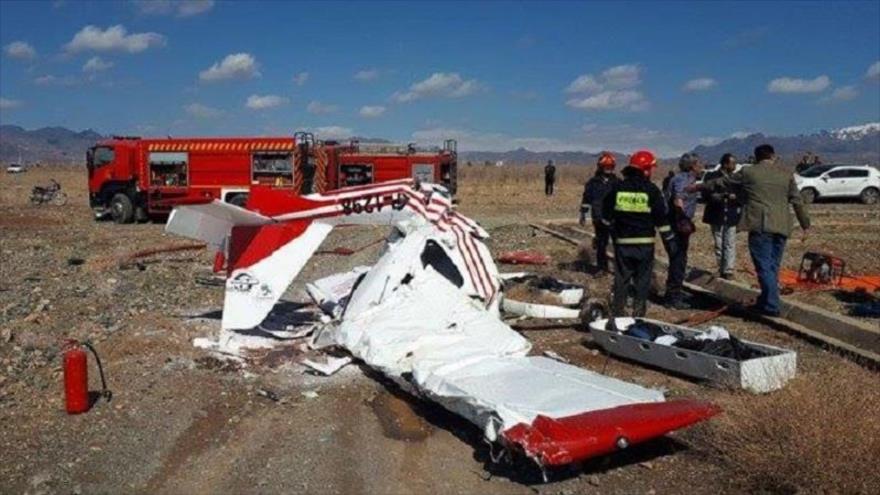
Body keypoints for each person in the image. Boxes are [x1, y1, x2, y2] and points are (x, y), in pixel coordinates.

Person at [690, 144, 810, 316]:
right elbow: (797, 201)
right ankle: (766, 299)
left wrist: (698, 186)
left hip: (761, 225)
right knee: (773, 266)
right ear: (773, 156)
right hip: (782, 226)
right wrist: (805, 225)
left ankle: (771, 305)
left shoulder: (748, 172)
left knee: (763, 266)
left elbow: (723, 182)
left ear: (755, 158)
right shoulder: (786, 174)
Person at [600, 150, 676, 317]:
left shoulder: (617, 188)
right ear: (646, 170)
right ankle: (638, 316)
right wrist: (670, 241)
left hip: (622, 243)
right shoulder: (652, 190)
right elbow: (661, 219)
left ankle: (618, 314)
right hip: (645, 244)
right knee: (642, 281)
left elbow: (605, 215)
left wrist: (604, 236)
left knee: (621, 279)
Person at [664, 153, 704, 309]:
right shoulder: (682, 179)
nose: (701, 166)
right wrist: (683, 219)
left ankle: (676, 291)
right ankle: (672, 297)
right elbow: (678, 199)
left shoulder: (689, 180)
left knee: (680, 259)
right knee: (678, 260)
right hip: (677, 224)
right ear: (693, 166)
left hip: (680, 224)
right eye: (699, 163)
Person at [702, 154, 742, 279]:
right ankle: (721, 268)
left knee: (729, 243)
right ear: (725, 164)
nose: (734, 166)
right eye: (732, 163)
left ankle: (728, 270)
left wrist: (737, 198)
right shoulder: (711, 176)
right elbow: (706, 194)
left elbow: (743, 195)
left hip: (731, 213)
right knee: (719, 242)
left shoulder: (737, 178)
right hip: (716, 213)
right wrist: (721, 196)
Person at [580, 152, 619, 273]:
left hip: (615, 218)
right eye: (606, 166)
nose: (608, 169)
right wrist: (583, 214)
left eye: (610, 166)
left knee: (618, 244)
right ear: (600, 167)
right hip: (599, 217)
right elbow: (586, 198)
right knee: (602, 244)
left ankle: (621, 270)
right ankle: (602, 268)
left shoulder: (618, 182)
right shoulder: (593, 183)